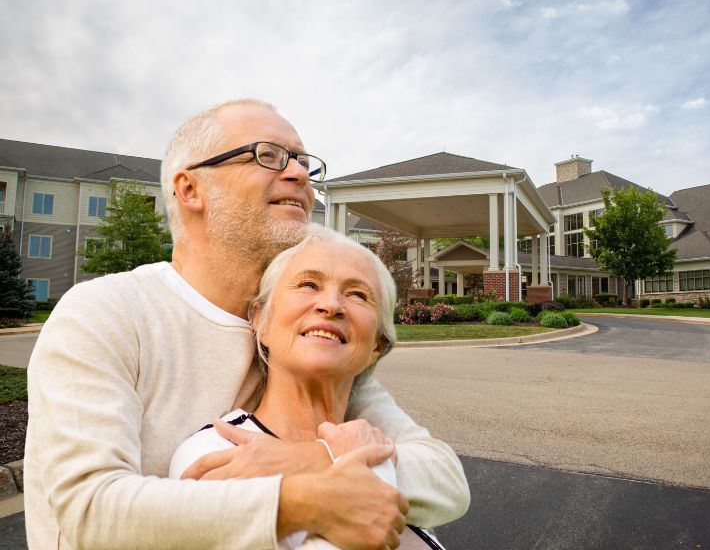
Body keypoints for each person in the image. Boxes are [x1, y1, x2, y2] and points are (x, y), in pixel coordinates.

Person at [24, 99, 469, 549]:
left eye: (301, 161)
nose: (298, 174)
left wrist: (316, 459)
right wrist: (299, 501)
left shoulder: (296, 337)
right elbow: (88, 509)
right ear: (190, 189)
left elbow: (444, 478)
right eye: (268, 155)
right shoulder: (108, 312)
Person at [170, 224, 450, 549]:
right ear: (261, 321)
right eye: (308, 284)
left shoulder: (379, 443)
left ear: (377, 344)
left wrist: (337, 457)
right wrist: (370, 471)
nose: (331, 305)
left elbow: (451, 486)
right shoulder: (218, 452)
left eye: (358, 294)